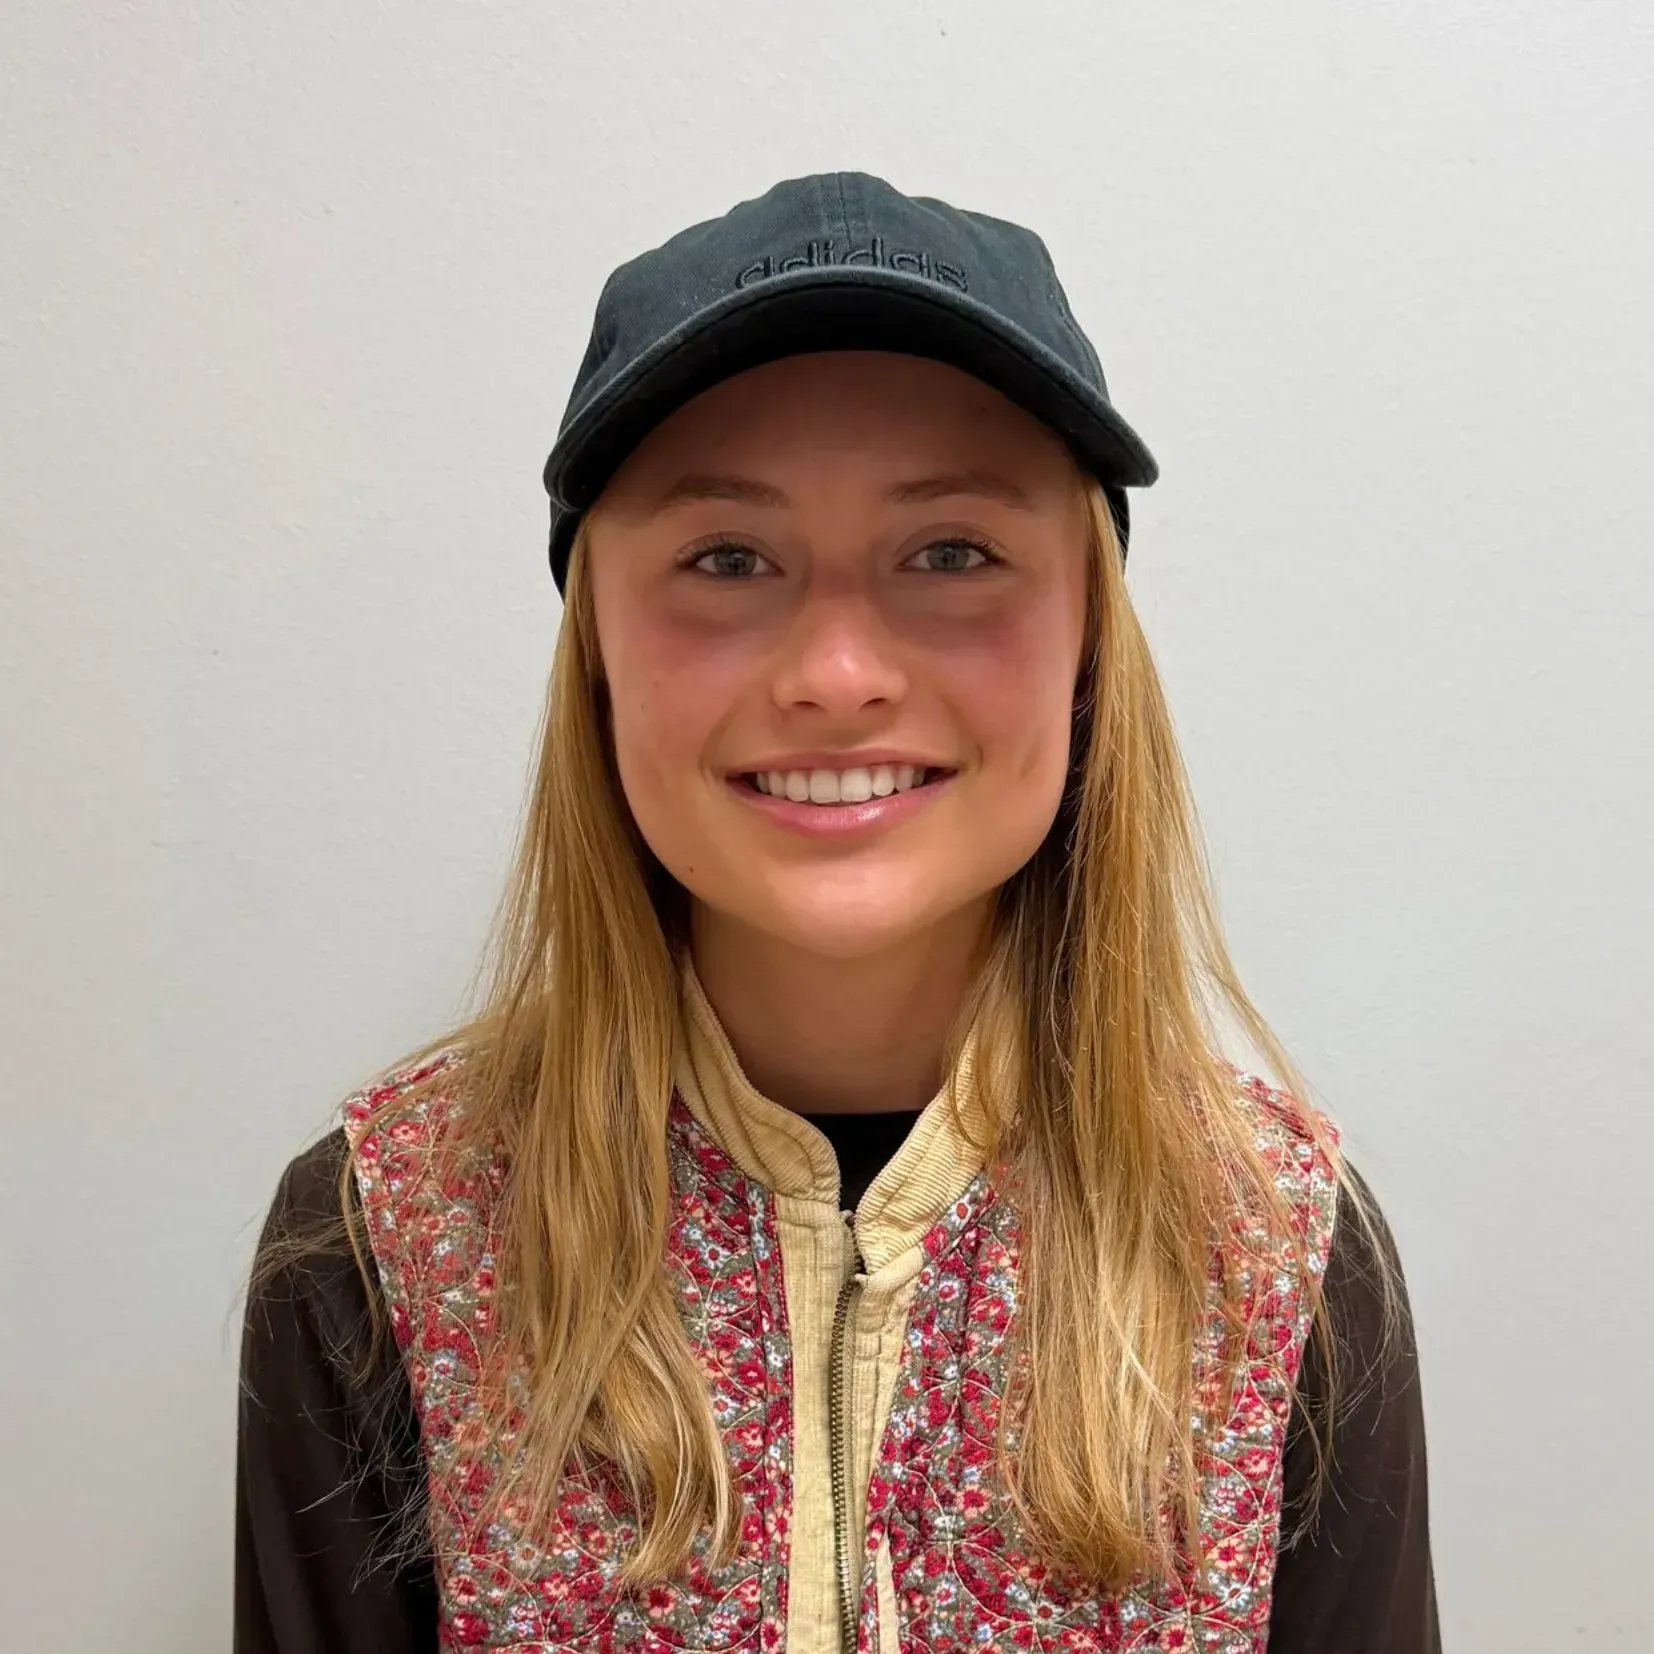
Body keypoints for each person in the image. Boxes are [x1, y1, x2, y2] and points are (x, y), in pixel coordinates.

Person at [237, 172, 1438, 1653]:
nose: (838, 671)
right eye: (725, 559)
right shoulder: (378, 1236)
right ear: (597, 647)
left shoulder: (1274, 1246)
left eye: (952, 553)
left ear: (1082, 641)